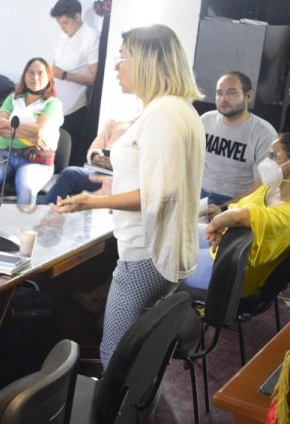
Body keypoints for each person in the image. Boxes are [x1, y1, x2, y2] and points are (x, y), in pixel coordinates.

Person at [52, 24, 205, 368]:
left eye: (122, 58)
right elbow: (161, 176)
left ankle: (115, 405)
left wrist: (92, 201)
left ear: (146, 62)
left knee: (115, 354)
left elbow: (161, 192)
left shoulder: (162, 113)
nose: (116, 67)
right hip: (160, 250)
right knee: (135, 353)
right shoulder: (179, 109)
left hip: (145, 253)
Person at [185, 134, 290, 296]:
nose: (266, 161)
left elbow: (240, 217)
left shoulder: (286, 213)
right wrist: (222, 215)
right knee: (177, 234)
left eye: (274, 155)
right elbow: (240, 208)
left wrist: (216, 223)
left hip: (233, 269)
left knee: (166, 258)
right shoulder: (272, 187)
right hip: (227, 242)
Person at [0, 57, 63, 208]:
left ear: (49, 78)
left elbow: (39, 130)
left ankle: (19, 225)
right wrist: (30, 133)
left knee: (26, 189)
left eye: (40, 73)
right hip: (7, 155)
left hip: (35, 159)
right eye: (31, 73)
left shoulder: (52, 103)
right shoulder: (12, 99)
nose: (35, 77)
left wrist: (9, 126)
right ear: (24, 76)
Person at [201, 71, 277, 211]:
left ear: (248, 96)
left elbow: (261, 186)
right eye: (219, 93)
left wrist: (224, 208)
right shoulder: (205, 120)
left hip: (236, 202)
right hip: (199, 194)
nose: (223, 98)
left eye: (231, 93)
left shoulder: (264, 134)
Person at [50, 0, 99, 165]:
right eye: (59, 23)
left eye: (65, 23)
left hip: (75, 109)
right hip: (56, 105)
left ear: (77, 17)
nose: (62, 27)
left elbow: (93, 78)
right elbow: (54, 68)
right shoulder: (62, 37)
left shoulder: (91, 38)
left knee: (69, 160)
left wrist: (63, 74)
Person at [39, 117, 134, 205]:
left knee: (70, 174)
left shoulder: (142, 130)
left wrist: (118, 163)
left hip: (126, 176)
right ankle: (44, 213)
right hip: (102, 171)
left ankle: (45, 213)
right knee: (70, 174)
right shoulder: (116, 121)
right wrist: (95, 157)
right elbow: (94, 148)